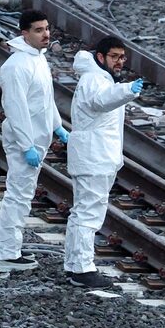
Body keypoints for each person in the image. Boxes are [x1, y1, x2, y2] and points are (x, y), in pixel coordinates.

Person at [63, 37, 145, 289]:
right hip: (93, 157)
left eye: (122, 57)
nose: (120, 62)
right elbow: (101, 101)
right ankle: (83, 269)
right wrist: (127, 90)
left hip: (97, 157)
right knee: (88, 212)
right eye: (114, 57)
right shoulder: (94, 80)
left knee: (84, 211)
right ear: (100, 57)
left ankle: (75, 265)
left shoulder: (102, 78)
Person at [0, 11, 67, 274]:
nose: (46, 34)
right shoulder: (16, 66)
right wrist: (27, 146)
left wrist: (58, 126)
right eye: (38, 30)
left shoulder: (38, 59)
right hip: (26, 141)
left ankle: (9, 248)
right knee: (19, 195)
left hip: (38, 137)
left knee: (23, 194)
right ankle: (7, 254)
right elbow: (16, 109)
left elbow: (44, 98)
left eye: (47, 28)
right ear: (24, 33)